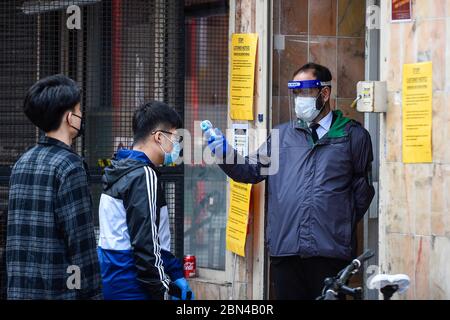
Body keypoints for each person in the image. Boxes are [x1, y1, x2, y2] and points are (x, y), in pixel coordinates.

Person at [205, 62, 375, 299]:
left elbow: (363, 192)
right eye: (295, 93)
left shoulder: (353, 136)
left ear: (324, 94)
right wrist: (224, 153)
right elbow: (251, 170)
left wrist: (338, 219)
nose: (299, 100)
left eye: (304, 92)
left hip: (330, 251)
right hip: (287, 251)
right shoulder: (282, 135)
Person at [6, 74, 102, 299]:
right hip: (59, 292)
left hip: (20, 291)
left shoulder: (22, 162)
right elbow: (80, 245)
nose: (81, 116)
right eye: (79, 111)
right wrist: (89, 293)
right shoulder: (70, 166)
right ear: (70, 118)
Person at [97, 100, 194, 300]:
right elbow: (145, 245)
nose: (177, 145)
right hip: (134, 287)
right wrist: (164, 291)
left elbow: (153, 238)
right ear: (159, 137)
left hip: (114, 281)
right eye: (175, 138)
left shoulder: (121, 168)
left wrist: (175, 273)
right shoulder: (143, 174)